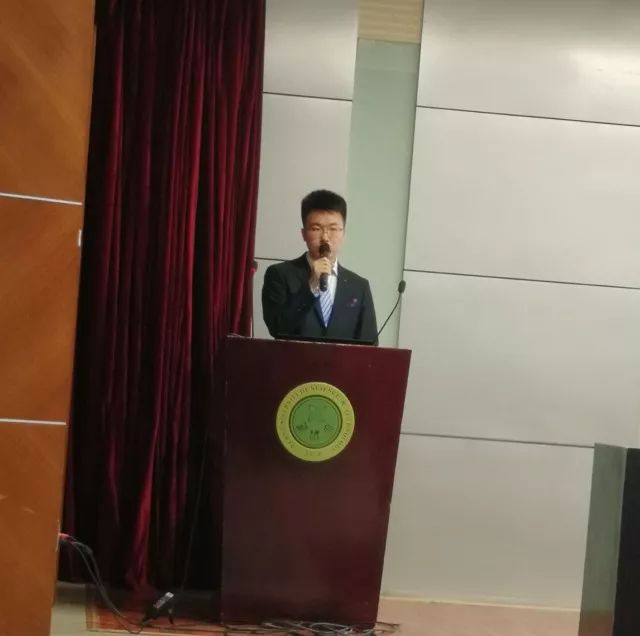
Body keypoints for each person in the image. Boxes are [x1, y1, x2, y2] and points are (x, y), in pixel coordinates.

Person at [262, 189, 378, 344]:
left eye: (333, 228)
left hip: (342, 361)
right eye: (316, 229)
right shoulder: (279, 275)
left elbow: (369, 344)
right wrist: (310, 286)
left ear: (343, 233)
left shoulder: (359, 286)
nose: (325, 237)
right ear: (304, 234)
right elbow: (277, 328)